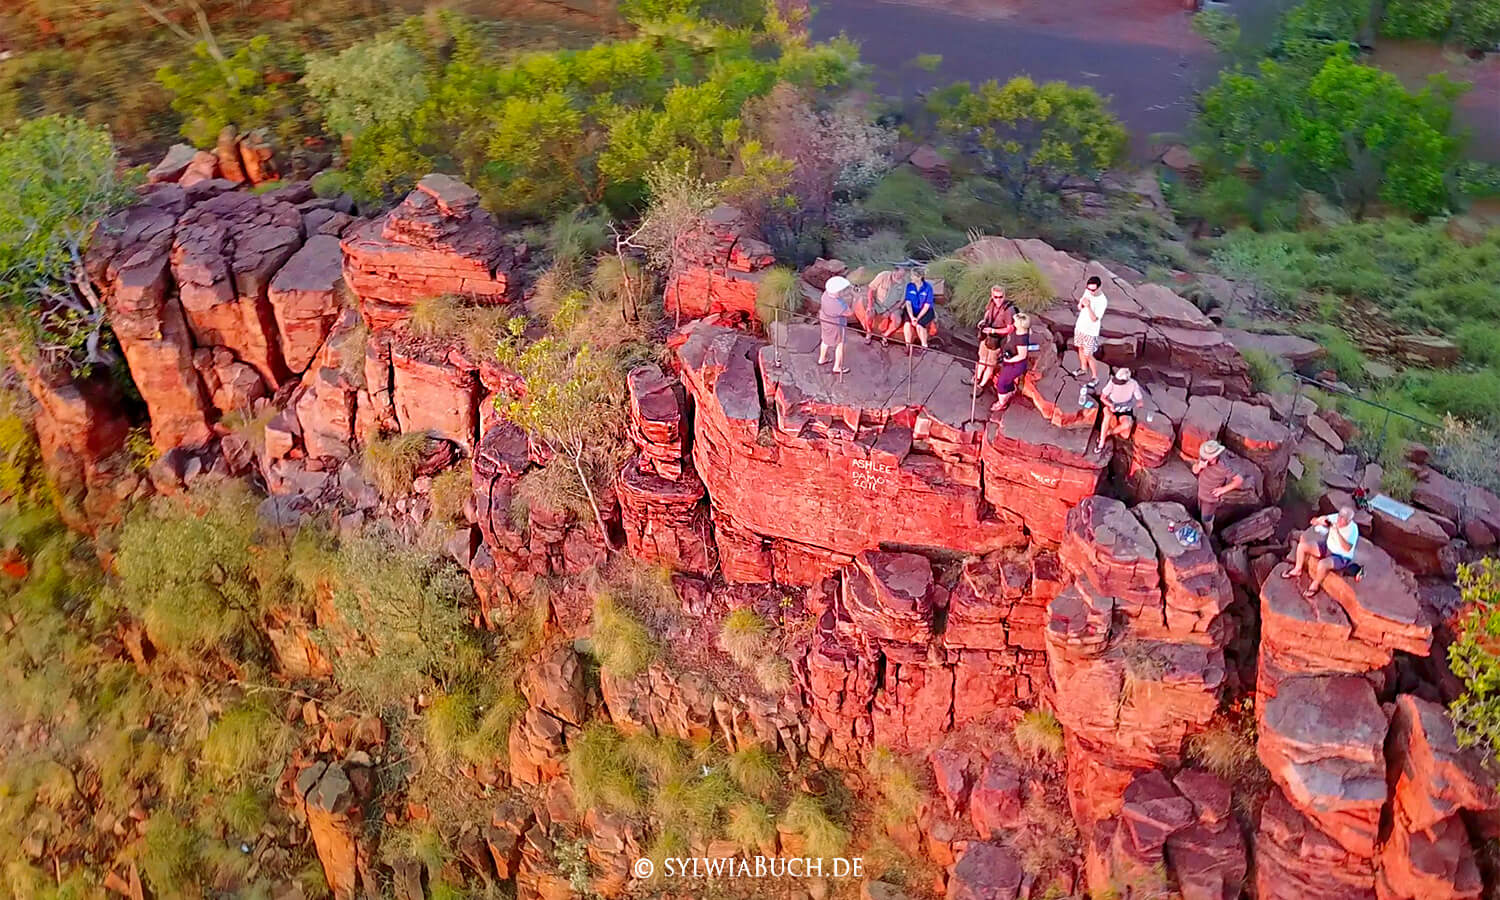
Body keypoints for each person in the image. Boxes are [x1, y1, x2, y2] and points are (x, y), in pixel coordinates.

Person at [1282, 507, 1360, 598]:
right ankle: (1297, 569)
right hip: (1328, 547)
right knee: (1302, 546)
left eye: (1343, 519)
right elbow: (1321, 519)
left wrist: (1338, 532)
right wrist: (1318, 521)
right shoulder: (1336, 518)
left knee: (1322, 564)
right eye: (1339, 516)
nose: (1339, 520)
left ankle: (1315, 585)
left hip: (1341, 556)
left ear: (1349, 521)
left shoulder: (1353, 530)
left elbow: (1347, 548)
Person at [1191, 440, 1244, 536]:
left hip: (1211, 498)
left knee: (1206, 519)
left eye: (1209, 457)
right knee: (1199, 511)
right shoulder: (1204, 457)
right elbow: (1194, 470)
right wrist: (1199, 466)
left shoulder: (1224, 465)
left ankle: (1207, 535)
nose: (1206, 459)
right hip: (1201, 491)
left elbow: (1239, 480)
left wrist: (1222, 490)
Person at [990, 313, 1033, 413]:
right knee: (1006, 380)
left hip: (1015, 365)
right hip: (1010, 362)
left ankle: (1002, 403)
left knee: (1001, 383)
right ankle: (1010, 391)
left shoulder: (1021, 339)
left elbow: (1022, 356)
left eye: (1015, 321)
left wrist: (1008, 360)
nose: (1013, 322)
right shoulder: (1018, 330)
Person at [1095, 367, 1144, 453]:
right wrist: (1110, 405)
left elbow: (1140, 401)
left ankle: (1108, 433)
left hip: (1125, 407)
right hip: (1112, 403)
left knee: (1127, 425)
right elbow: (1103, 397)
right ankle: (1101, 442)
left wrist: (1133, 405)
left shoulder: (1133, 384)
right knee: (1107, 416)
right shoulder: (1112, 382)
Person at [1073, 275, 1108, 385]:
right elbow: (1079, 307)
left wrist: (1088, 306)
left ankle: (1094, 376)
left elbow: (1094, 319)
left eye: (1093, 290)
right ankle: (1083, 368)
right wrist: (1081, 304)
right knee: (1080, 348)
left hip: (1090, 331)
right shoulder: (1087, 292)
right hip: (1080, 327)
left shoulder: (1102, 301)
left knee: (1089, 354)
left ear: (1099, 288)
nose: (1090, 292)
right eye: (1088, 289)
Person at [818, 275, 853, 374]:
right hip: (836, 326)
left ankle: (822, 358)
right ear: (836, 292)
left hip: (825, 321)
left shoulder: (825, 295)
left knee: (825, 340)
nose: (842, 292)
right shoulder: (836, 304)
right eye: (841, 291)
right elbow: (849, 313)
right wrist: (854, 299)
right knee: (840, 344)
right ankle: (837, 367)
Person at [903, 268, 937, 351]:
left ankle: (924, 346)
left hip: (925, 311)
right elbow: (908, 303)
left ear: (919, 277)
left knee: (920, 325)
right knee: (907, 324)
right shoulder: (909, 286)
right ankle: (908, 346)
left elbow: (927, 305)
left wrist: (917, 318)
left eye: (913, 276)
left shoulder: (928, 288)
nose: (911, 278)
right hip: (912, 310)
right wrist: (912, 317)